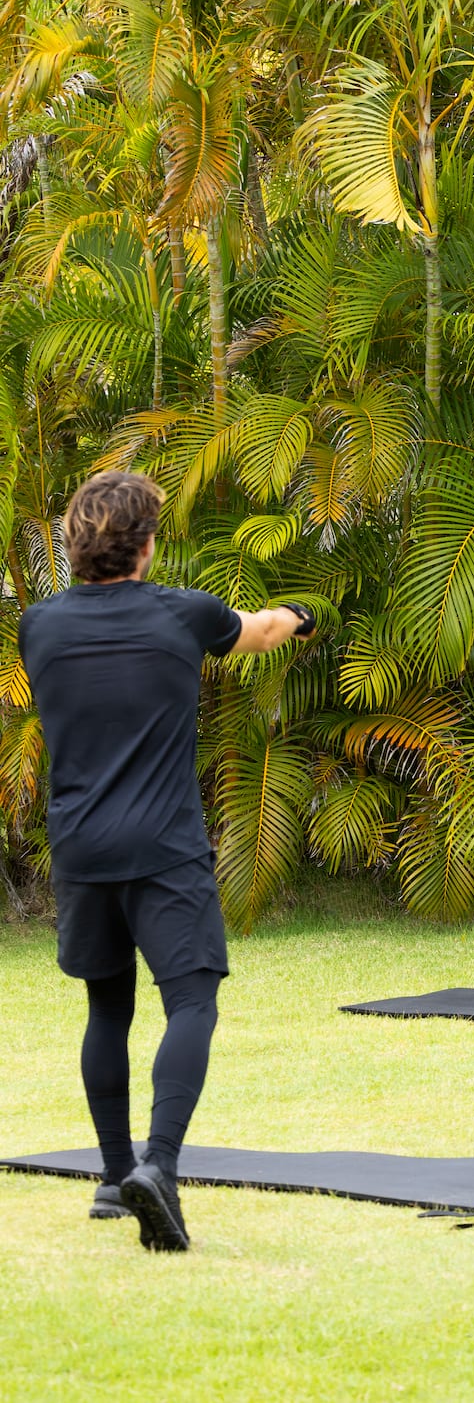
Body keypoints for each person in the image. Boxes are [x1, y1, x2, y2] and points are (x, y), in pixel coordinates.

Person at [19, 471, 315, 1252]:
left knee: (106, 1008)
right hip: (164, 846)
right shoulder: (185, 613)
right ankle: (161, 1165)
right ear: (148, 545)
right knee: (191, 1001)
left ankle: (117, 1178)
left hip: (81, 848)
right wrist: (297, 614)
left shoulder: (39, 625)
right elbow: (257, 632)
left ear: (77, 545)